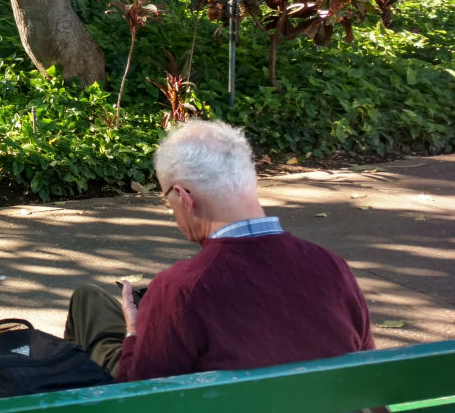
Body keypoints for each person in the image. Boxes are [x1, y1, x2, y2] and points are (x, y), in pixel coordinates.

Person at [63, 119, 374, 381]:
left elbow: (140, 397)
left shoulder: (180, 290)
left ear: (184, 197)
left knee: (91, 307)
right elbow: (369, 376)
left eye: (166, 199)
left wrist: (133, 331)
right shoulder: (332, 267)